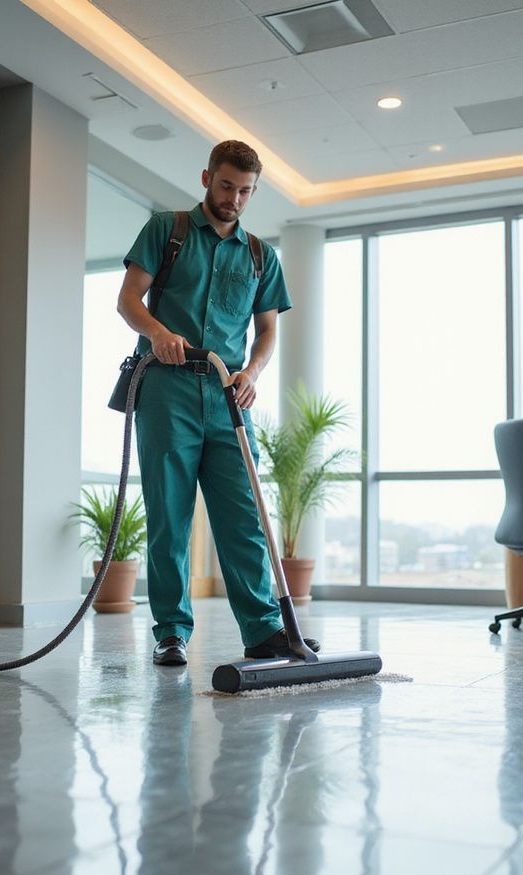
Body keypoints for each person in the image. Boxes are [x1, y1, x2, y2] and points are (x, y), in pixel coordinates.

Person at [117, 140, 320, 666]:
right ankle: (171, 631)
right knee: (169, 514)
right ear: (207, 177)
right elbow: (128, 299)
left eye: (246, 190)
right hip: (167, 389)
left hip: (229, 397)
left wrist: (252, 372)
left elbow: (267, 329)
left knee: (244, 515)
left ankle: (263, 631)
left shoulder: (260, 254)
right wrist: (159, 332)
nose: (235, 198)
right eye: (227, 185)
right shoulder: (168, 230)